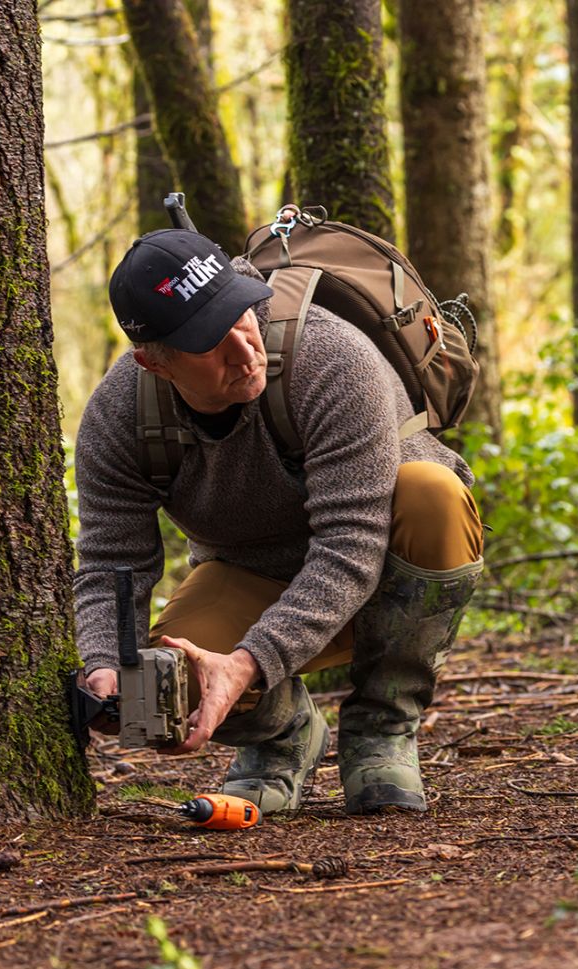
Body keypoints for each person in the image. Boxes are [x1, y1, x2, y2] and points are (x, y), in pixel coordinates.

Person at [74, 228, 484, 815]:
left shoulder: (334, 360)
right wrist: (107, 667)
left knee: (432, 493)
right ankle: (285, 737)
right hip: (254, 576)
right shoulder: (119, 417)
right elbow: (111, 562)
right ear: (154, 362)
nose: (245, 350)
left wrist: (246, 663)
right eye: (207, 343)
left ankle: (382, 727)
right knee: (158, 690)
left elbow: (350, 547)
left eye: (242, 316)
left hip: (390, 572)